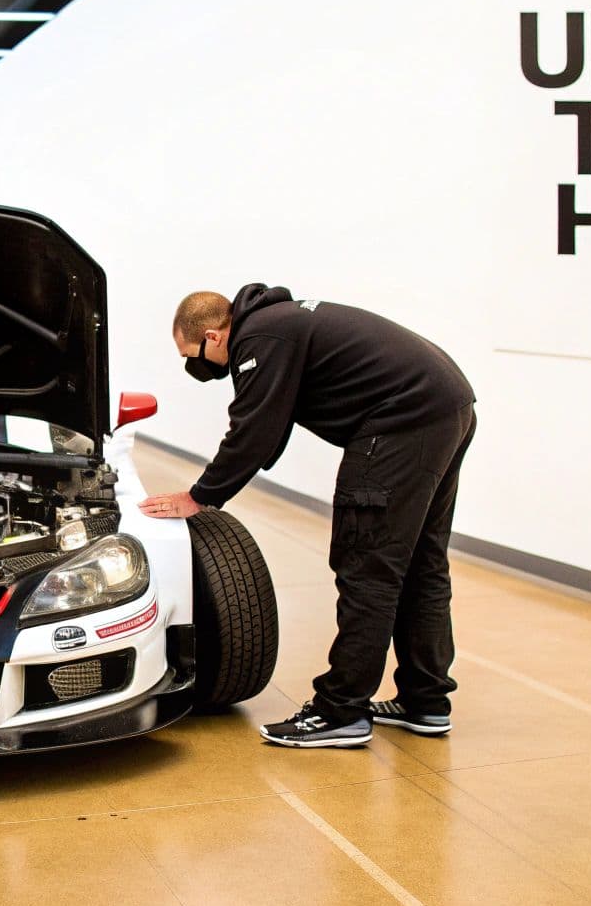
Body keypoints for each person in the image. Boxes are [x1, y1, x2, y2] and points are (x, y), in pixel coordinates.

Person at [139, 285, 476, 748]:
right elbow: (270, 427)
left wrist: (199, 496)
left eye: (190, 354)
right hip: (445, 407)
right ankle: (426, 701)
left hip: (400, 420)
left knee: (367, 569)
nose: (192, 366)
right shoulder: (279, 324)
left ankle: (341, 711)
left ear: (214, 336)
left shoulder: (259, 339)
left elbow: (253, 432)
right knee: (421, 564)